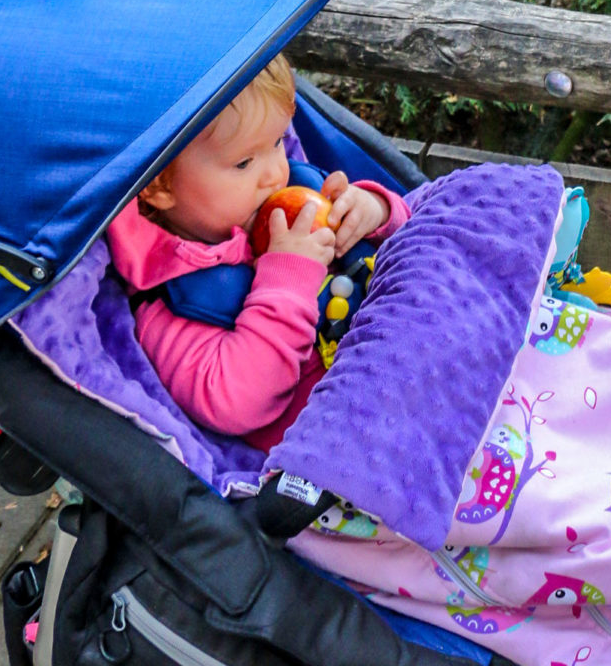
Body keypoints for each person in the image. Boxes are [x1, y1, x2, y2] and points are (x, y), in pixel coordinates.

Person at [106, 53, 407, 450]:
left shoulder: (295, 193)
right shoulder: (170, 299)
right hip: (353, 436)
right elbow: (234, 403)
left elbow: (415, 233)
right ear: (158, 186)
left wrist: (376, 211)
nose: (275, 173)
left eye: (279, 141)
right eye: (245, 161)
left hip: (406, 348)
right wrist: (287, 281)